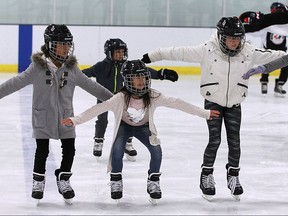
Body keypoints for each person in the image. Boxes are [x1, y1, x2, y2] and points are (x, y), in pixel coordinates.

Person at [140, 16, 286, 201]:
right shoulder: (207, 50)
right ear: (221, 37)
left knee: (235, 142)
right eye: (230, 38)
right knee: (214, 140)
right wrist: (152, 56)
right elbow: (178, 52)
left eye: (238, 38)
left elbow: (274, 56)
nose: (235, 42)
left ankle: (233, 175)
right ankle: (206, 175)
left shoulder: (248, 51)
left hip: (234, 103)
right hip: (213, 102)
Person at [61, 60, 220, 202]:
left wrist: (205, 113)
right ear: (128, 80)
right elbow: (98, 108)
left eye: (144, 78)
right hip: (124, 127)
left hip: (144, 128)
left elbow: (178, 103)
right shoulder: (120, 98)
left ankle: (153, 181)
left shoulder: (153, 96)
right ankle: (116, 180)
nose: (141, 82)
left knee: (156, 151)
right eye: (137, 79)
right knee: (117, 151)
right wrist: (75, 120)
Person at [0, 24, 113, 203]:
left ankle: (64, 178)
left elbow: (92, 86)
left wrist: (114, 100)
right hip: (43, 116)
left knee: (69, 150)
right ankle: (38, 180)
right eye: (61, 44)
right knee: (42, 150)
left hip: (66, 116)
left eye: (68, 44)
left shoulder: (72, 69)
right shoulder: (37, 67)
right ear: (49, 45)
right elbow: (16, 82)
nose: (65, 48)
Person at [82, 38, 178, 161]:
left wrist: (161, 74)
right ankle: (98, 140)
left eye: (122, 52)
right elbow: (84, 73)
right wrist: (71, 76)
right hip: (104, 97)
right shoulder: (100, 66)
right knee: (102, 119)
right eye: (117, 52)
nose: (121, 54)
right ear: (109, 53)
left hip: (123, 98)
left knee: (128, 119)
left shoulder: (127, 65)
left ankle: (127, 142)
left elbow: (144, 71)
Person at [241, 2, 288, 97]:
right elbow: (255, 29)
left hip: (282, 53)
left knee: (285, 66)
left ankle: (279, 84)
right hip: (269, 52)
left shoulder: (282, 25)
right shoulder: (267, 27)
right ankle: (264, 82)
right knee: (266, 63)